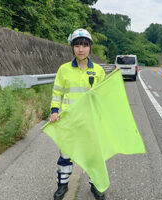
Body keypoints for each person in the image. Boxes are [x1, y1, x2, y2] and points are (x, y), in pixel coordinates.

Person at [49, 28, 106, 200]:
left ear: (90, 47)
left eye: (84, 45)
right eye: (77, 45)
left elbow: (103, 96)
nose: (81, 49)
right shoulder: (63, 69)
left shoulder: (98, 71)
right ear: (72, 47)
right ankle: (62, 186)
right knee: (65, 156)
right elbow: (57, 92)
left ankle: (96, 186)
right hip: (69, 121)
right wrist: (54, 111)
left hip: (90, 121)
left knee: (93, 156)